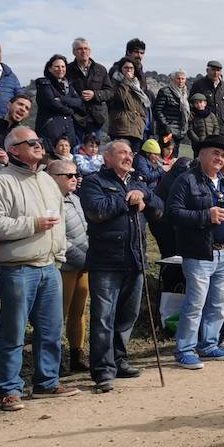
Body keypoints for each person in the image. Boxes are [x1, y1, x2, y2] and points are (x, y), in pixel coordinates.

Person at [0, 126, 75, 409]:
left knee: (51, 329)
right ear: (14, 150)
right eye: (31, 142)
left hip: (49, 267)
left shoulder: (49, 181)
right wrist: (32, 225)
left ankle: (46, 383)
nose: (39, 145)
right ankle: (9, 389)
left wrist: (58, 257)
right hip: (17, 269)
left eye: (39, 141)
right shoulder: (0, 183)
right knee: (13, 332)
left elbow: (60, 220)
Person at [80, 139, 163, 389]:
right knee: (103, 317)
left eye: (130, 153)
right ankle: (103, 370)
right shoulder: (94, 182)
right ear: (107, 157)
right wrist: (128, 200)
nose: (128, 156)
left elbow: (160, 209)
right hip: (106, 261)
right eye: (122, 153)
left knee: (128, 315)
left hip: (134, 258)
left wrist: (145, 194)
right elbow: (96, 210)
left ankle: (119, 359)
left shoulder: (138, 181)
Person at [167, 135, 224, 367]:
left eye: (223, 155)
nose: (220, 158)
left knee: (218, 303)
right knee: (195, 304)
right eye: (215, 153)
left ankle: (208, 345)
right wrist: (206, 216)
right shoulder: (186, 180)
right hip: (198, 253)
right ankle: (184, 350)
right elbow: (173, 213)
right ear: (201, 154)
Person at [48, 158, 90, 374]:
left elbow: (84, 229)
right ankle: (55, 360)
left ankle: (77, 354)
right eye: (69, 176)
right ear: (54, 178)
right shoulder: (49, 200)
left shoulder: (75, 198)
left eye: (76, 175)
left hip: (83, 264)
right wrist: (84, 258)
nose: (75, 179)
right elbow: (60, 238)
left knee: (79, 312)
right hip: (64, 266)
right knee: (58, 315)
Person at [35, 54, 85, 153]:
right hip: (50, 129)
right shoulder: (44, 84)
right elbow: (52, 103)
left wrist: (62, 99)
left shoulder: (68, 85)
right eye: (57, 66)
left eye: (63, 66)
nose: (60, 69)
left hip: (68, 129)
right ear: (49, 68)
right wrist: (71, 110)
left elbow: (79, 102)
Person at [0, 93, 33, 182]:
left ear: (27, 115)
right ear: (9, 105)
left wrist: (8, 161)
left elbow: (25, 165)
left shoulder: (24, 138)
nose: (23, 109)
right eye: (20, 104)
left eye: (27, 108)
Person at [67, 38, 112, 141]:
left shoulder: (100, 70)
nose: (83, 51)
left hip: (95, 119)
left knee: (93, 153)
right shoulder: (67, 70)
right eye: (79, 49)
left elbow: (110, 92)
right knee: (75, 151)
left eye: (86, 48)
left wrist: (95, 95)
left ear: (90, 51)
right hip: (75, 119)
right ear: (74, 52)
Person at [108, 58, 151, 150]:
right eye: (126, 68)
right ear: (121, 69)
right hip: (121, 129)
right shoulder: (114, 82)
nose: (129, 70)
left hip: (136, 129)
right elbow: (120, 97)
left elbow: (142, 105)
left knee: (133, 159)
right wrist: (126, 80)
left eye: (131, 68)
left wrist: (142, 121)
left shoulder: (137, 85)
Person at [190, 60, 224, 138]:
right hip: (204, 126)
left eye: (218, 70)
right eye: (213, 70)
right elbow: (191, 102)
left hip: (221, 126)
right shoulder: (199, 85)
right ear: (207, 70)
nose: (216, 73)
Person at [154, 70, 191, 155]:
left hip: (179, 131)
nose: (180, 81)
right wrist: (166, 125)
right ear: (173, 79)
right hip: (167, 130)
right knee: (165, 155)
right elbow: (157, 110)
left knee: (174, 157)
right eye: (178, 78)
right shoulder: (165, 91)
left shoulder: (185, 93)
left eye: (183, 79)